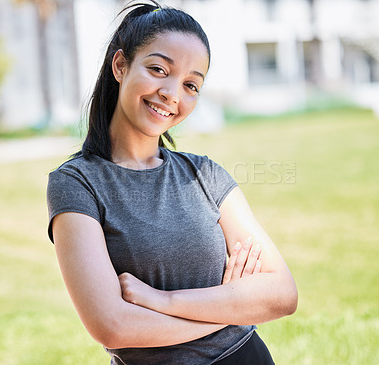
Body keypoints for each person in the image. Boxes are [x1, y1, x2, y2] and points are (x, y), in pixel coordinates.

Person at [46, 1, 298, 364]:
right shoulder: (76, 184)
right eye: (158, 69)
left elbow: (282, 294)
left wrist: (161, 301)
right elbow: (112, 326)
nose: (172, 94)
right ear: (120, 65)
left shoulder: (205, 174)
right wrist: (232, 307)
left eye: (191, 84)